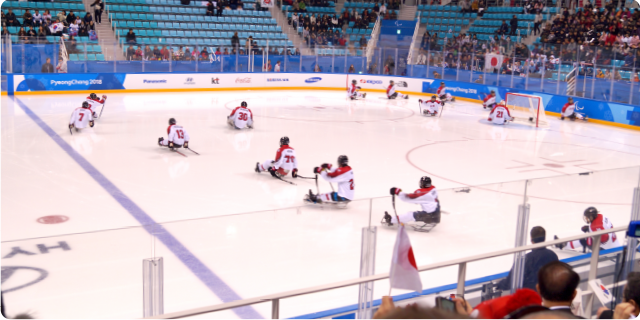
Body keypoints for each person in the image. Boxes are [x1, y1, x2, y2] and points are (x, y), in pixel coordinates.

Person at [495, 227, 559, 291]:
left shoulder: (525, 260)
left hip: (531, 297)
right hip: (549, 294)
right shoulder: (553, 255)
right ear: (544, 238)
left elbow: (510, 282)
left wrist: (499, 284)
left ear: (531, 239)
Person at [555, 207, 621, 252]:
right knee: (587, 238)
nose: (586, 218)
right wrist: (589, 229)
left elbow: (604, 238)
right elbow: (603, 229)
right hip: (615, 244)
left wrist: (590, 232)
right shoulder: (601, 216)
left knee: (585, 240)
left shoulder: (595, 226)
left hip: (607, 249)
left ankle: (564, 245)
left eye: (587, 217)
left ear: (592, 216)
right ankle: (565, 244)